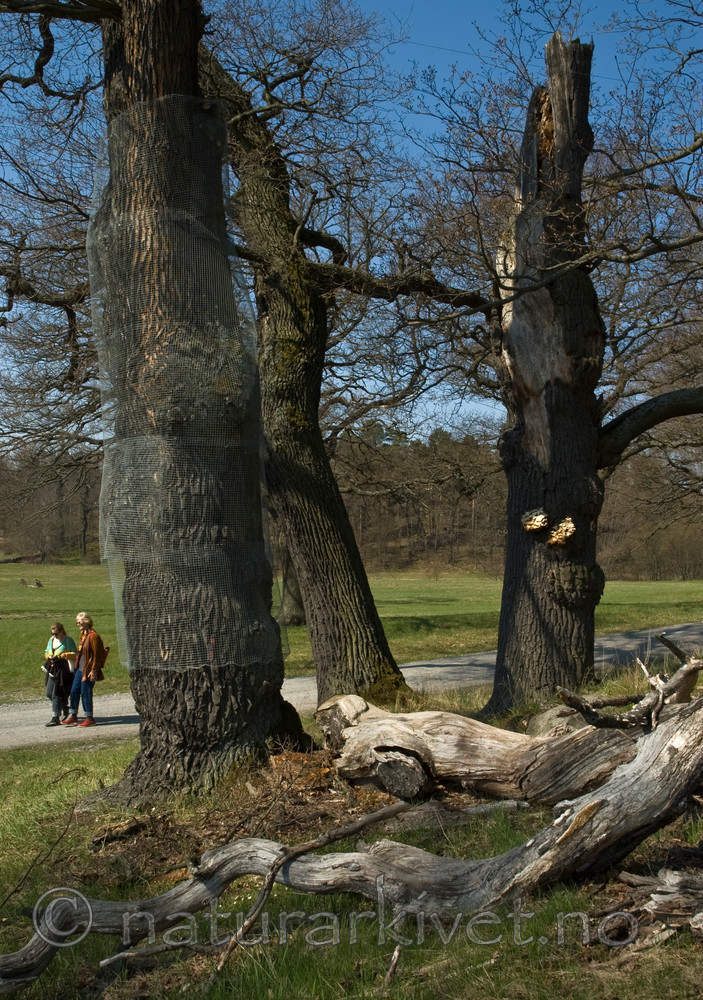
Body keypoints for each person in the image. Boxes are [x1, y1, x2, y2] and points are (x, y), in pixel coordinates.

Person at [61, 612, 108, 728]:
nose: (77, 624)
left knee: (85, 692)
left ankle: (89, 718)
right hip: (80, 668)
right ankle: (73, 715)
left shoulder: (94, 636)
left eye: (79, 621)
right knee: (74, 691)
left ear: (86, 621)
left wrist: (94, 670)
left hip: (88, 669)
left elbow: (97, 655)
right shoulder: (83, 634)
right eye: (77, 622)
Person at [42, 622, 77, 727]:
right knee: (49, 693)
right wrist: (48, 656)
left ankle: (55, 717)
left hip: (63, 670)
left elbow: (76, 653)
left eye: (56, 633)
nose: (54, 635)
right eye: (52, 633)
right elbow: (46, 651)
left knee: (56, 693)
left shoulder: (68, 640)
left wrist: (66, 655)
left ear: (62, 631)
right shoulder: (51, 640)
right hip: (53, 669)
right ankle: (65, 708)